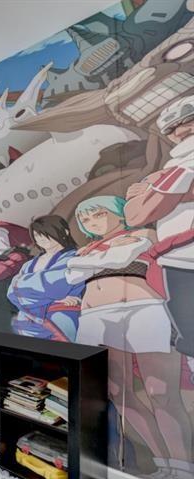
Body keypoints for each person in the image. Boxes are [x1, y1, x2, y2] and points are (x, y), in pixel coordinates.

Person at [67, 195, 193, 479]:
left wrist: (91, 261)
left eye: (98, 214)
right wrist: (93, 259)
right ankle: (163, 463)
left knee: (159, 390)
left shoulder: (144, 234)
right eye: (85, 219)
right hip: (94, 316)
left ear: (117, 212)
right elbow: (72, 273)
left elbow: (122, 257)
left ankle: (183, 466)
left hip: (141, 309)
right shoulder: (86, 249)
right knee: (116, 390)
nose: (91, 222)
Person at [125, 95, 194, 374]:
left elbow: (147, 205)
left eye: (189, 120)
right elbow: (135, 213)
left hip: (181, 259)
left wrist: (154, 188)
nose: (180, 131)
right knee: (189, 333)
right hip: (178, 261)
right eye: (172, 128)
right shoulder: (175, 167)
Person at [7, 215, 84, 341]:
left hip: (59, 320)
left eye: (45, 233)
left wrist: (22, 286)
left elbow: (55, 287)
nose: (41, 239)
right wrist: (54, 299)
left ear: (65, 232)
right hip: (26, 323)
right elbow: (12, 292)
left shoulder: (74, 258)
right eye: (37, 235)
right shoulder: (28, 264)